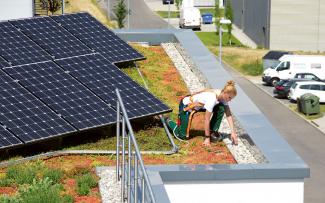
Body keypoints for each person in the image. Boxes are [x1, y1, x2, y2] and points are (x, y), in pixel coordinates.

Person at [166, 80, 238, 146]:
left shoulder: (222, 96)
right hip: (187, 106)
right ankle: (168, 121)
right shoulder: (212, 99)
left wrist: (233, 132)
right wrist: (207, 138)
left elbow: (228, 114)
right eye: (229, 97)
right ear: (225, 93)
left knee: (221, 108)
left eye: (231, 98)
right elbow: (206, 119)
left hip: (200, 106)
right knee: (182, 136)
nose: (230, 100)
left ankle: (212, 131)